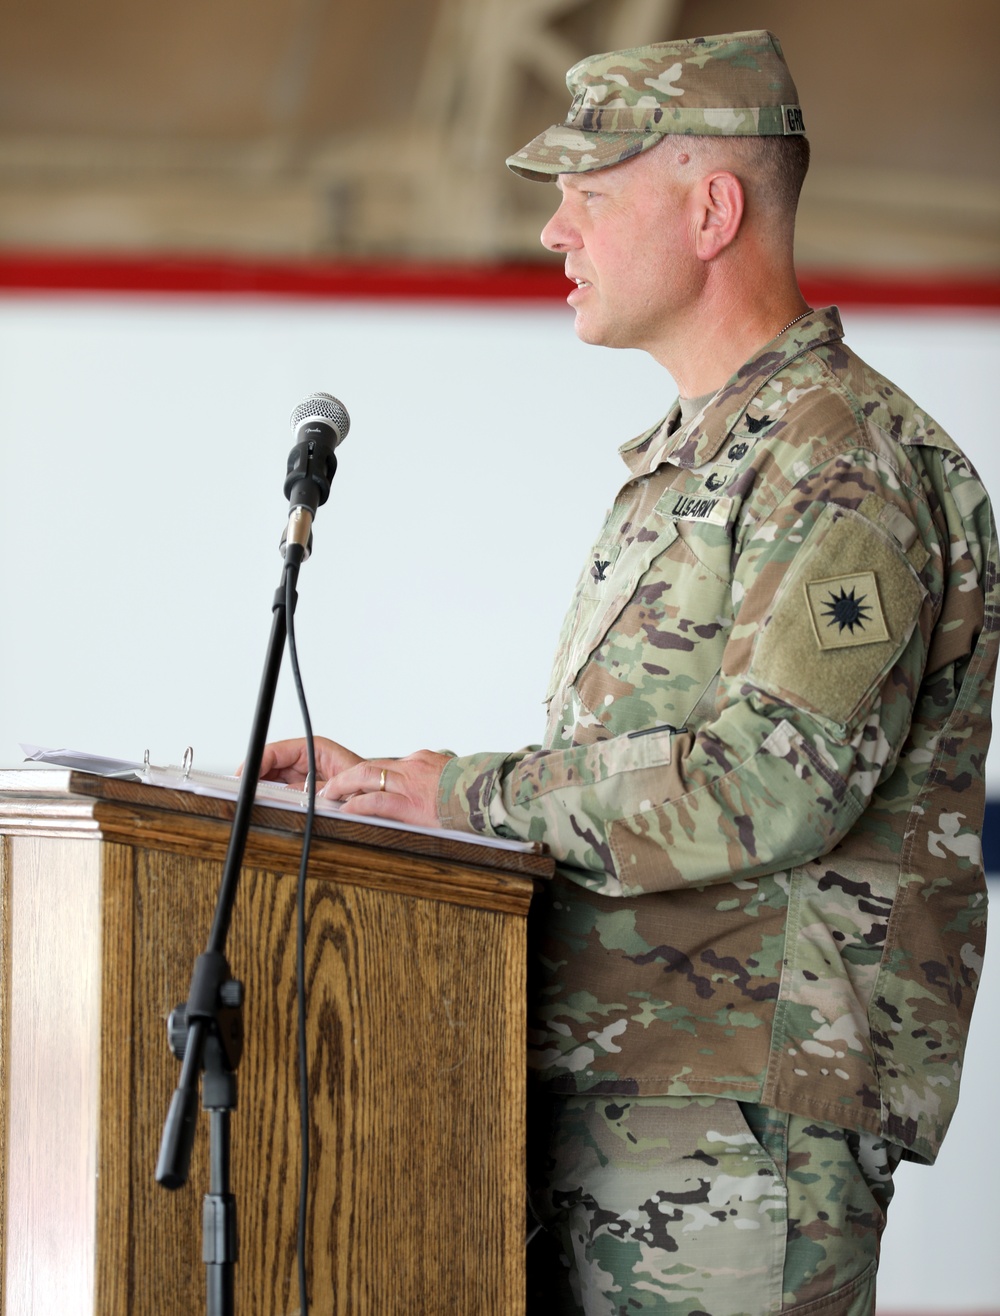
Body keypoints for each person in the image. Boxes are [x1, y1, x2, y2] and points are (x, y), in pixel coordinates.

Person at [258, 30, 999, 1316]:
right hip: (635, 1097)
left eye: (589, 194)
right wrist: (398, 787)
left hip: (738, 1125)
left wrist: (468, 796)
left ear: (712, 209)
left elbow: (773, 782)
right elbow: (641, 771)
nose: (554, 230)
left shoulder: (840, 465)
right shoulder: (697, 462)